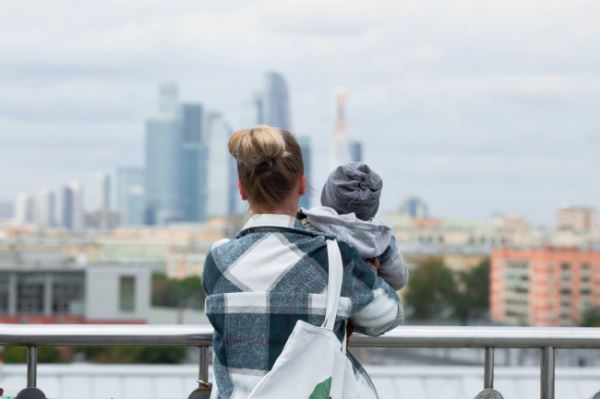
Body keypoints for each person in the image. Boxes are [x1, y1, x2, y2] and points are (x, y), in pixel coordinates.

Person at [202, 125, 403, 398]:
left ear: (242, 190)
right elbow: (388, 316)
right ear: (301, 183)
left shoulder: (217, 259)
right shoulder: (335, 259)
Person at [299, 162, 409, 291]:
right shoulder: (382, 240)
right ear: (373, 205)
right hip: (365, 305)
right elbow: (399, 280)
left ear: (327, 196)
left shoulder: (308, 225)